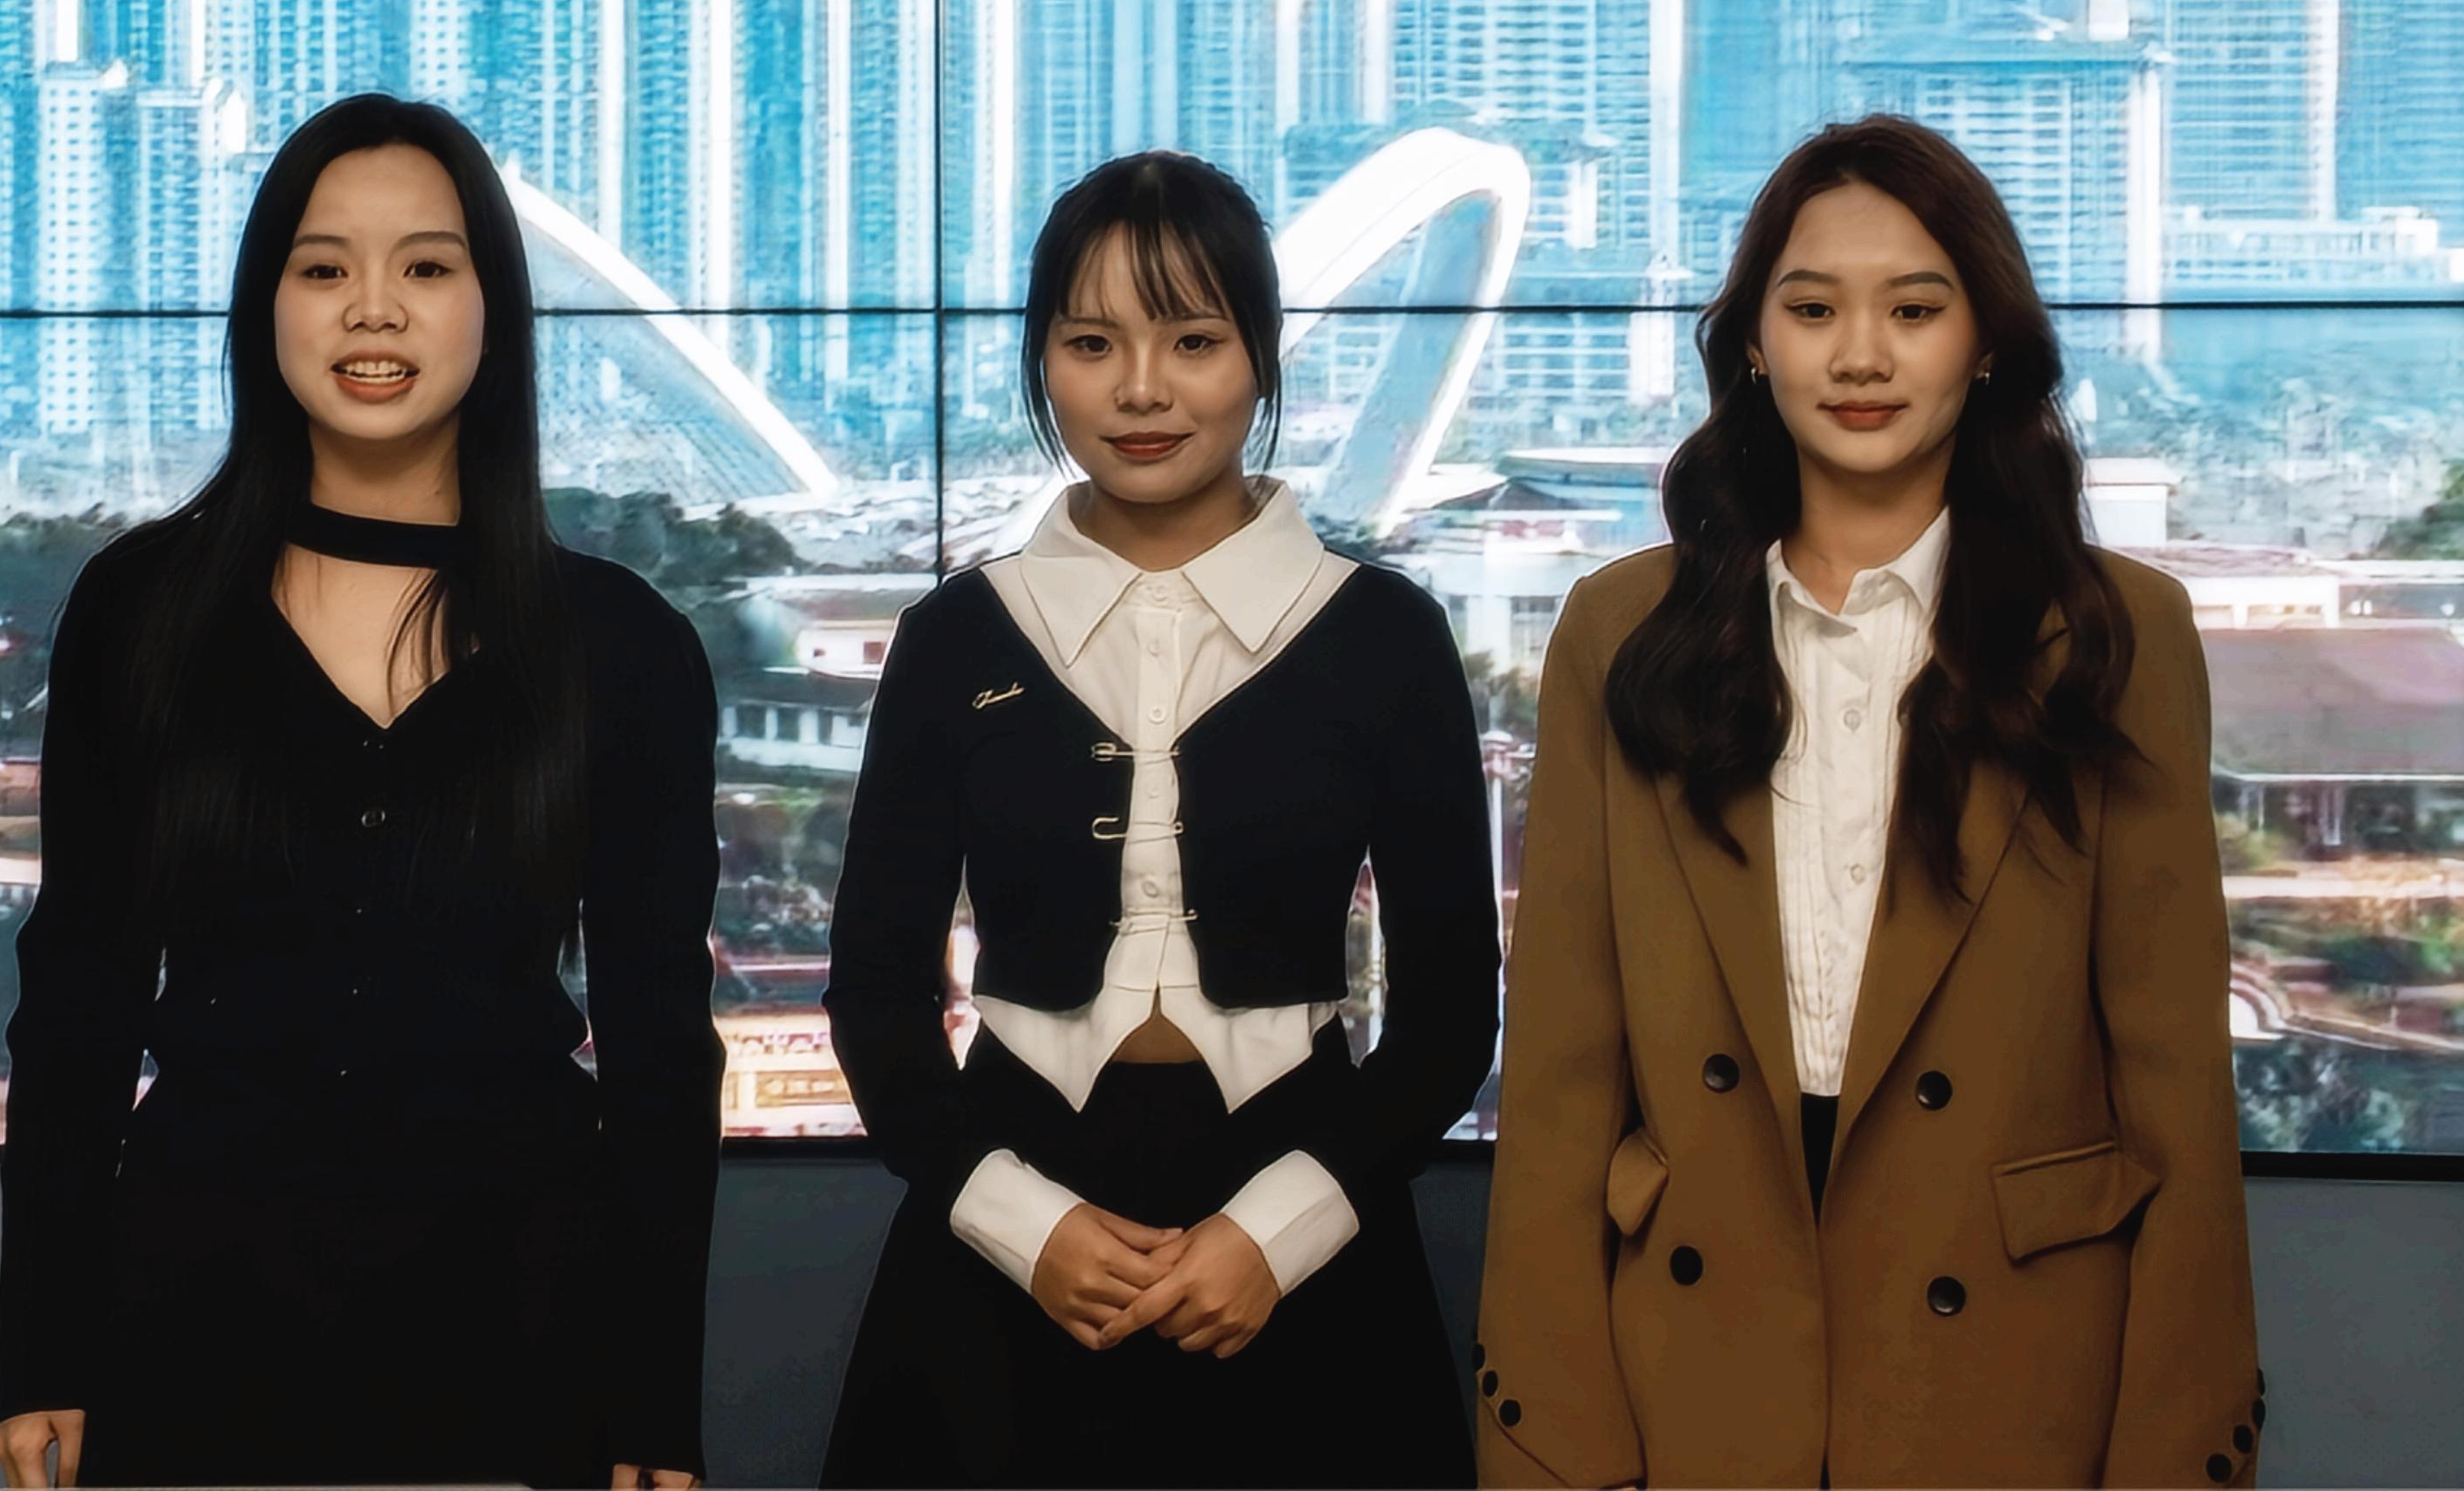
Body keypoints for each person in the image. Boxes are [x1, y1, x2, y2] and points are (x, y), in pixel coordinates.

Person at [1474, 115, 2262, 1488]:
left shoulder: (2114, 632)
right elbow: (1558, 1079)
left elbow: (2176, 1090)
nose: (1860, 356)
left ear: (1987, 340)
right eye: (1812, 308)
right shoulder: (1624, 630)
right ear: (1752, 342)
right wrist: (1553, 1438)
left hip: (2019, 1362)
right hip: (1692, 1345)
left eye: (1914, 308)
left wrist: (2176, 1453)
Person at [0, 95, 723, 1489]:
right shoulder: (141, 609)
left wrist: (654, 1404)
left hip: (526, 1323)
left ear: (494, 308)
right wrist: (45, 1350)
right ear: (265, 305)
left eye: (426, 266)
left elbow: (660, 1054)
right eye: (324, 266)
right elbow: (78, 1000)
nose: (372, 309)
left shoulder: (621, 644)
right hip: (193, 1320)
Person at [823, 149, 1495, 1488]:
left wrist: (1278, 1231)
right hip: (1004, 1231)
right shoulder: (955, 635)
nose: (1141, 388)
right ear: (1043, 360)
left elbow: (1449, 1015)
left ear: (1262, 353)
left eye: (1193, 339)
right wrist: (1021, 1222)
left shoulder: (1385, 635)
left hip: (1308, 1229)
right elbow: (876, 997)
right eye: (1092, 343)